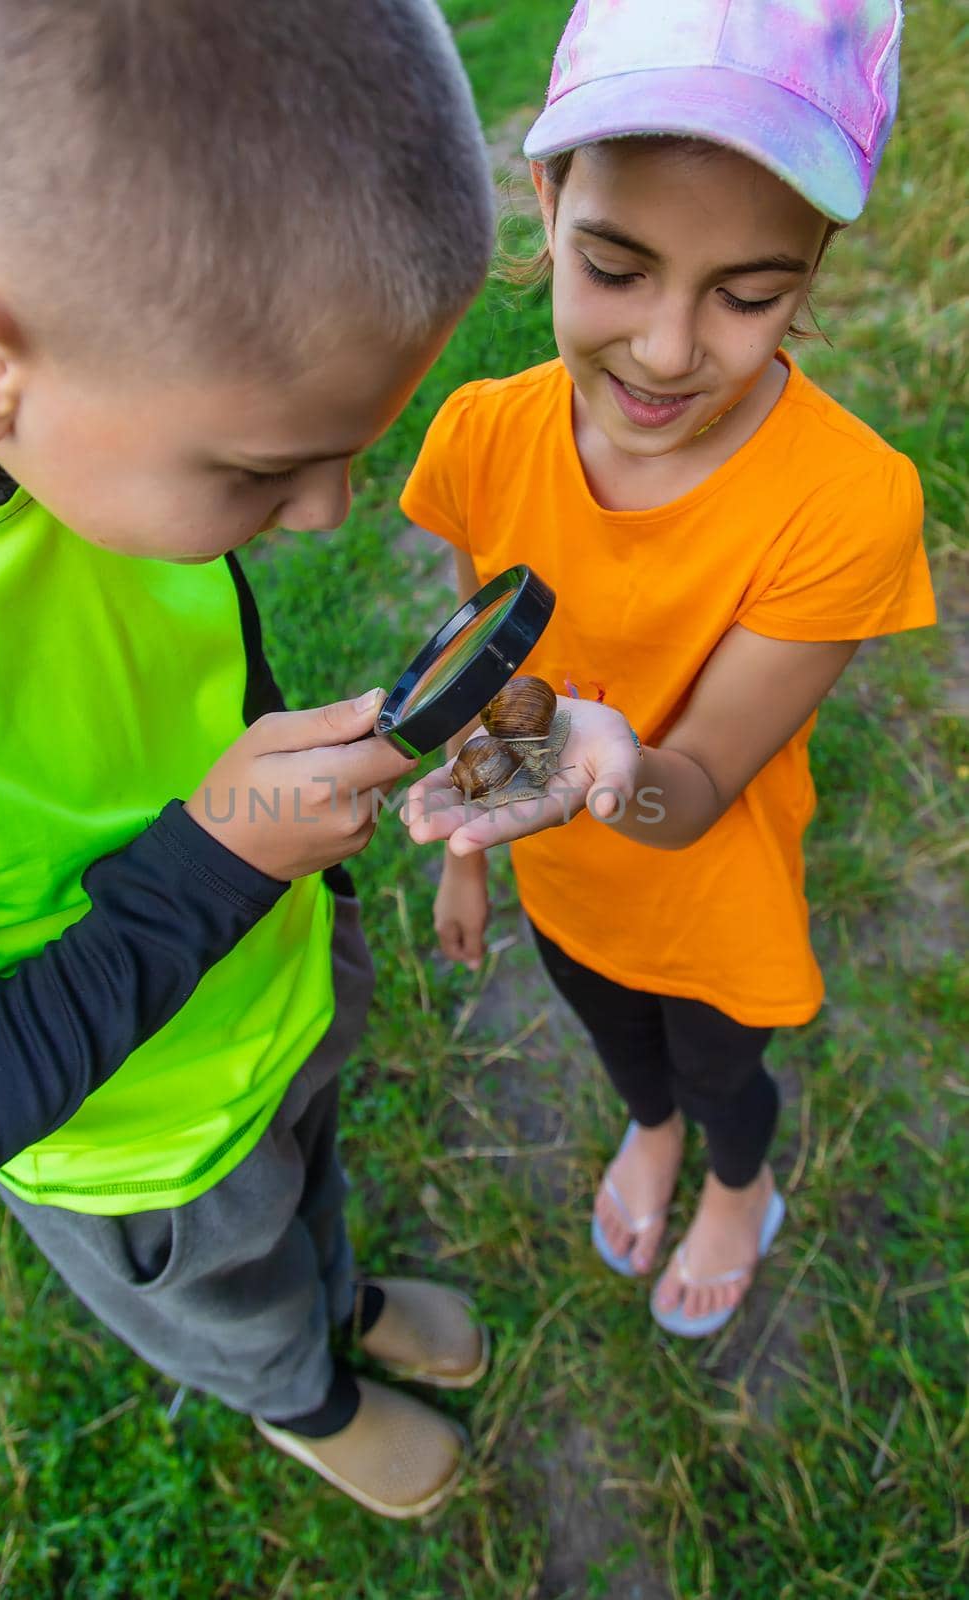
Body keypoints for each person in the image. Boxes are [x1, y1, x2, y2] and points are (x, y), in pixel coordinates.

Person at [0, 0, 498, 1518]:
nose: (327, 515)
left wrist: (270, 850)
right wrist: (215, 867)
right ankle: (298, 1392)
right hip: (141, 1151)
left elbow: (185, 650)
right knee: (232, 1287)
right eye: (261, 468)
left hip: (281, 984)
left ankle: (337, 1300)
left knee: (312, 1186)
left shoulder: (72, 409)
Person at [401, 0, 935, 1337]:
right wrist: (472, 846)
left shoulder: (850, 502)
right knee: (613, 1036)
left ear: (813, 268)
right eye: (618, 266)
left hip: (709, 900)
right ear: (546, 194)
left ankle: (736, 1185)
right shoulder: (481, 437)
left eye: (749, 294)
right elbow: (499, 684)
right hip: (565, 880)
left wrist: (608, 768)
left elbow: (692, 783)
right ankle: (647, 1130)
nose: (667, 349)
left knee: (720, 1072)